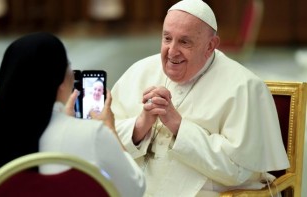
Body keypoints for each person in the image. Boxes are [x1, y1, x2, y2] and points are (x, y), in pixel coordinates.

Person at [110, 0, 289, 196]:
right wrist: (139, 126)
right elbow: (103, 139)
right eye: (167, 38)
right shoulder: (140, 71)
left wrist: (178, 126)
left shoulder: (244, 87)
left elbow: (240, 171)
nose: (172, 51)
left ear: (210, 45)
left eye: (184, 42)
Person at [0, 32, 145, 197]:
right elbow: (135, 188)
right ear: (60, 81)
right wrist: (111, 130)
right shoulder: (93, 134)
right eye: (68, 66)